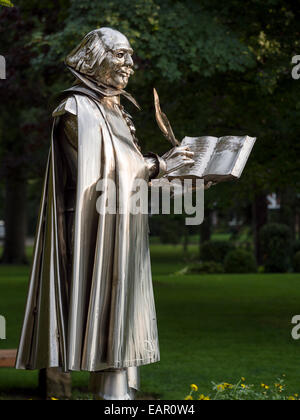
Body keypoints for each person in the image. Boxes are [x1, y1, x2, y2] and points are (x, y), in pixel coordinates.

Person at [15, 27, 194, 400]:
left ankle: (119, 394)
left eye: (131, 57)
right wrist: (161, 165)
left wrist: (186, 180)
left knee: (125, 315)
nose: (130, 64)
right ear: (95, 58)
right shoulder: (75, 108)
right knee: (109, 310)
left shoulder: (115, 109)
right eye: (120, 55)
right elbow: (106, 172)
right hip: (93, 232)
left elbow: (133, 177)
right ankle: (113, 398)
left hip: (124, 227)